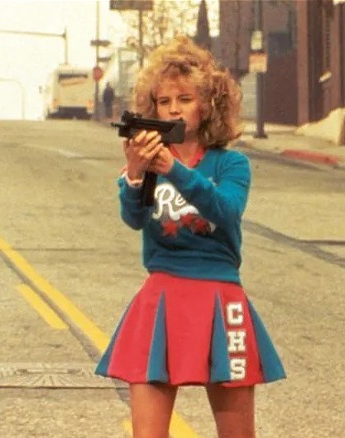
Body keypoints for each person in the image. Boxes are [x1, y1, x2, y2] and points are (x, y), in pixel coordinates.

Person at [95, 36, 285, 438]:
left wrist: (173, 169)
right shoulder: (148, 161)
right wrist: (133, 173)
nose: (174, 108)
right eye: (164, 101)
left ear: (207, 104)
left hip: (220, 295)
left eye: (184, 98)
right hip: (161, 295)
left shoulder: (231, 163)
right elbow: (134, 219)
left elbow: (226, 210)